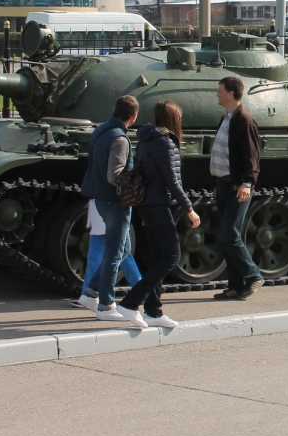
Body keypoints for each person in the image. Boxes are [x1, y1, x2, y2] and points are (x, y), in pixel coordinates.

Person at [116, 100, 201, 329]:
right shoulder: (166, 142)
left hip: (147, 204)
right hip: (158, 204)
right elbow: (172, 181)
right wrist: (189, 209)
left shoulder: (147, 139)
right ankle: (131, 302)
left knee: (156, 258)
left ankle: (154, 311)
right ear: (173, 119)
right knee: (171, 256)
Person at [81, 95, 140, 322]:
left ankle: (90, 293)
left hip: (99, 197)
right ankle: (105, 305)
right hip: (114, 201)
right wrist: (136, 178)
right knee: (115, 253)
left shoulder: (102, 130)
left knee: (122, 249)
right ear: (134, 116)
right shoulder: (120, 139)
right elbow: (114, 175)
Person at [211, 76, 264, 301]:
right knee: (226, 237)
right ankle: (235, 285)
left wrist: (247, 183)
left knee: (229, 234)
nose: (217, 94)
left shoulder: (244, 120)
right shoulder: (227, 118)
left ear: (231, 93)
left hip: (237, 188)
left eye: (220, 90)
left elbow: (252, 157)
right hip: (223, 185)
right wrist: (217, 183)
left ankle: (253, 275)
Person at [71, 200, 143, 311]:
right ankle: (140, 289)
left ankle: (88, 294)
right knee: (119, 254)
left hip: (106, 210)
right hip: (110, 210)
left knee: (117, 254)